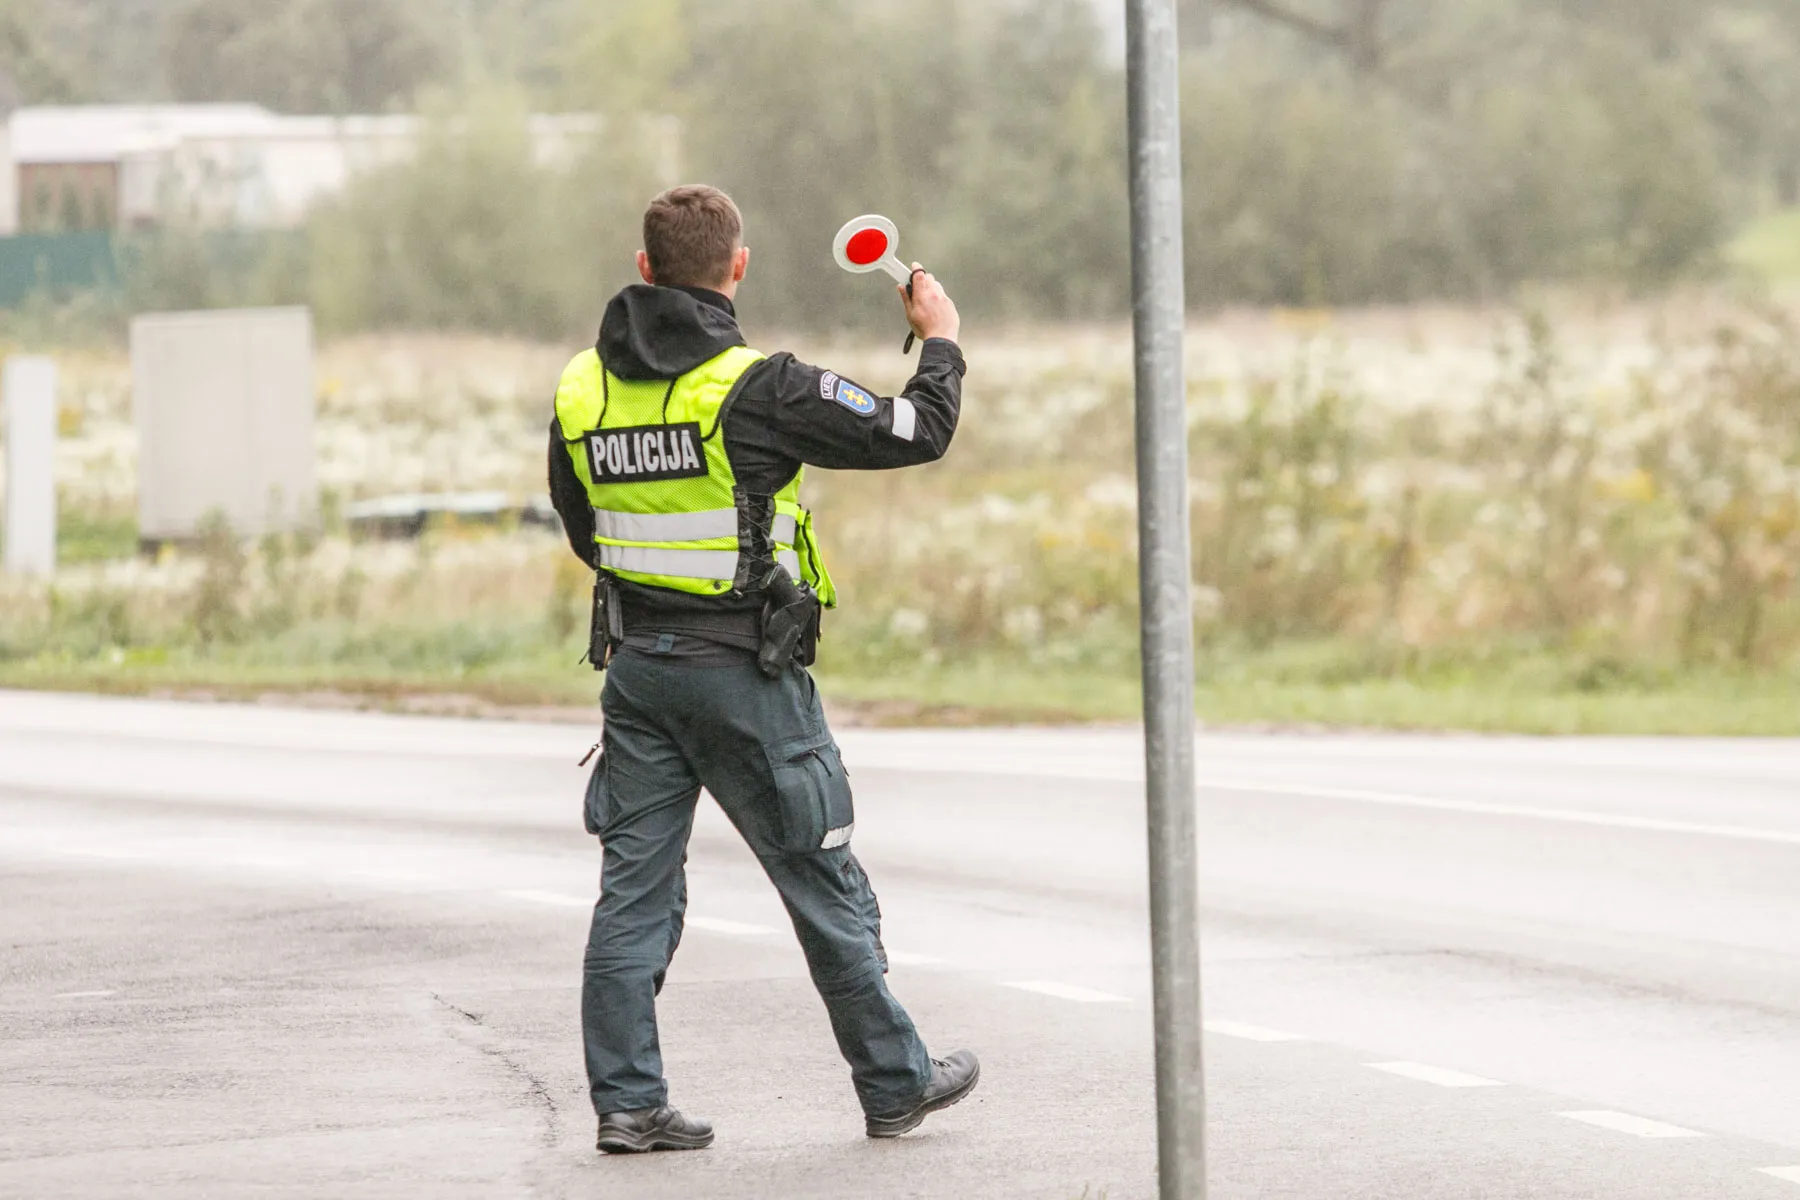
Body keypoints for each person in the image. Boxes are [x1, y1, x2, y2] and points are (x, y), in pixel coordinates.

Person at [547, 184, 979, 1155]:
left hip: (639, 671)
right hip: (744, 673)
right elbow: (919, 431)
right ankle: (894, 1080)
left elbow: (584, 527)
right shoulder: (763, 388)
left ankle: (628, 1103)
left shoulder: (582, 387)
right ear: (736, 269)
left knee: (633, 891)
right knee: (821, 875)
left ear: (644, 266)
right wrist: (939, 339)